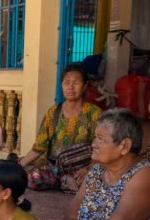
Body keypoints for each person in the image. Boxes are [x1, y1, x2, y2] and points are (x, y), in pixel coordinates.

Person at [19, 64, 102, 192]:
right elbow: (39, 147)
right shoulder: (53, 112)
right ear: (62, 85)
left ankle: (68, 183)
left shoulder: (94, 113)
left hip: (82, 169)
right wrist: (19, 166)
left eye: (76, 83)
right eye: (67, 82)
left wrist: (88, 168)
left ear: (85, 86)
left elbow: (103, 148)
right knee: (31, 179)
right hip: (56, 169)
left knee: (95, 184)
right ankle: (63, 182)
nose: (70, 87)